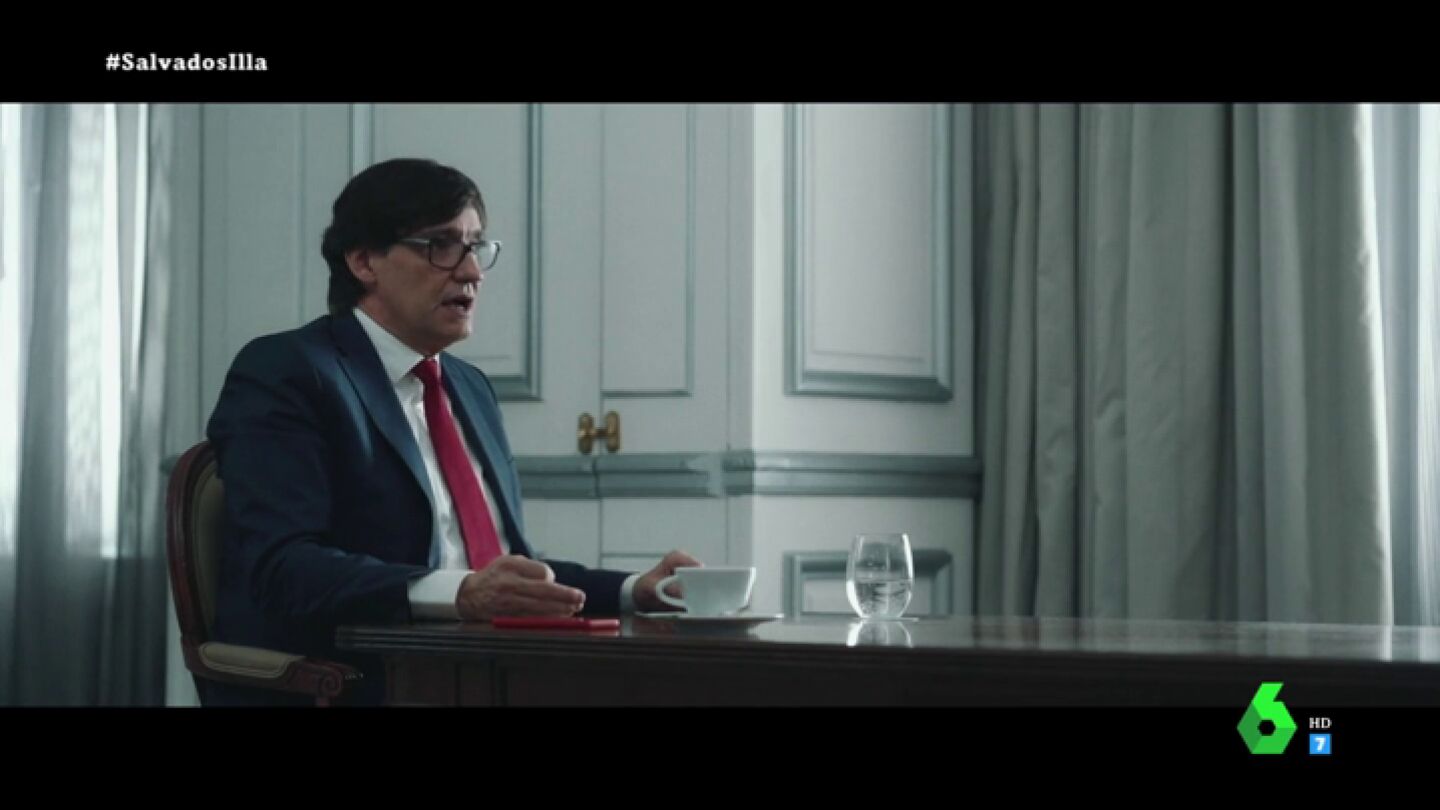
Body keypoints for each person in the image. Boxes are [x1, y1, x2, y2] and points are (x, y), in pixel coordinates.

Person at [205, 157, 699, 705]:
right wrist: (461, 594)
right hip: (365, 681)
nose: (471, 272)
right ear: (364, 261)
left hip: (491, 673)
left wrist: (635, 590)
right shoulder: (290, 371)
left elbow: (499, 566)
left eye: (476, 247)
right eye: (440, 246)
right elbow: (283, 567)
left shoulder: (470, 387)